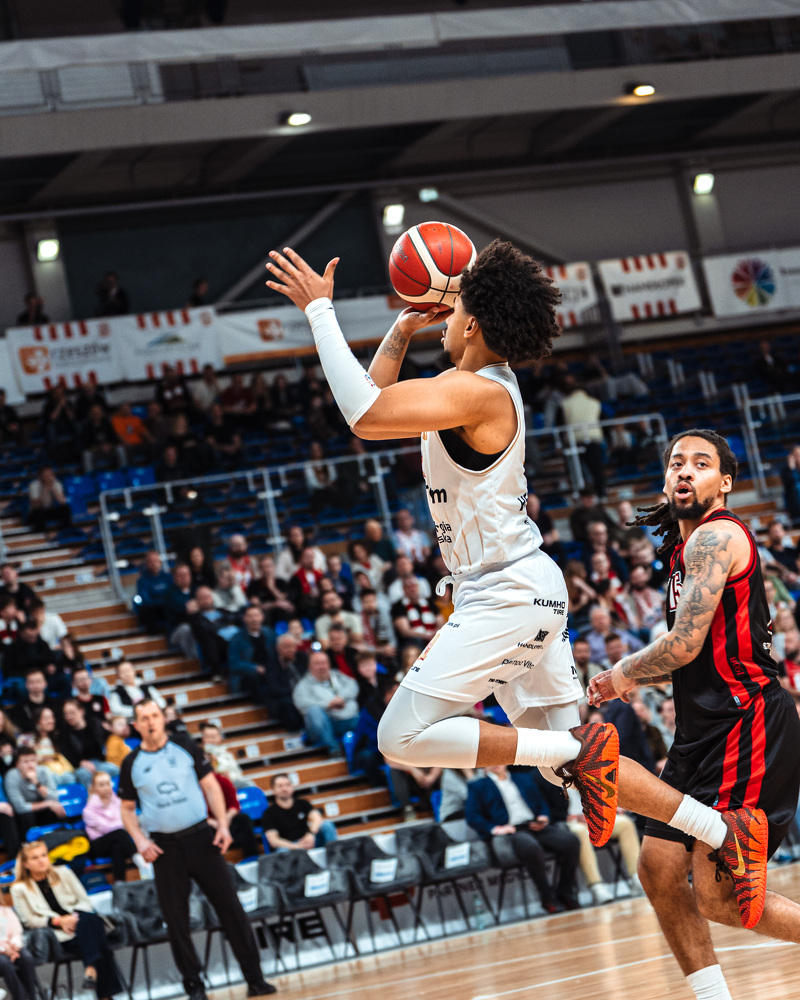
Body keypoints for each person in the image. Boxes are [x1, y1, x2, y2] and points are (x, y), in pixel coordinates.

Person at [265, 242, 767, 917]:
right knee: (572, 770)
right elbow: (374, 406)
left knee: (400, 736)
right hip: (522, 588)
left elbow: (363, 413)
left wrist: (320, 312)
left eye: (454, 313)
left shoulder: (476, 392)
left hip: (506, 592)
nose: (445, 321)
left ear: (473, 324)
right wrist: (400, 330)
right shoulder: (470, 387)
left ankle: (576, 750)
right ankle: (724, 830)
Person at [588, 429, 800, 999]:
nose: (684, 470)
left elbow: (682, 646)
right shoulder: (685, 552)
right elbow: (696, 657)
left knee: (721, 900)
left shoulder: (716, 536)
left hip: (746, 722)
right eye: (676, 462)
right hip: (701, 729)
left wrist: (620, 675)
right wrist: (630, 679)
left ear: (724, 483)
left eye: (700, 463)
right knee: (657, 869)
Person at [120, 703, 275, 1000]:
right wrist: (140, 841)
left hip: (201, 839)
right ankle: (194, 986)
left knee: (231, 909)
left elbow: (211, 786)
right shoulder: (131, 763)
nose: (150, 722)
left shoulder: (185, 746)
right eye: (144, 718)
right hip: (164, 848)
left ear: (162, 719)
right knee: (176, 921)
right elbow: (126, 809)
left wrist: (223, 825)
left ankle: (255, 979)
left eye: (155, 716)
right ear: (136, 725)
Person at [12, 841, 123, 1000]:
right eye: (35, 858)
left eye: (44, 855)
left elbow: (84, 901)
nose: (42, 860)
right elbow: (28, 920)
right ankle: (98, 981)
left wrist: (74, 918)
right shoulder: (19, 888)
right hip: (59, 935)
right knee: (97, 939)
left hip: (81, 922)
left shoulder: (64, 872)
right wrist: (58, 921)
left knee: (89, 920)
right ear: (25, 864)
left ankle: (92, 968)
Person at [465, 764, 581, 913]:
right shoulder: (478, 786)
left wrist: (543, 816)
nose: (496, 764)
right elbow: (472, 816)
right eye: (490, 762)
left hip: (534, 824)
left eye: (499, 760)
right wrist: (495, 828)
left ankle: (565, 892)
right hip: (512, 830)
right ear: (483, 767)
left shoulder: (522, 778)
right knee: (530, 847)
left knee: (571, 841)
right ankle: (547, 897)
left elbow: (541, 802)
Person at [291, 650, 359, 757]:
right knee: (314, 711)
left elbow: (353, 686)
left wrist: (341, 698)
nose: (322, 667)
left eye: (324, 663)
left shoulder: (338, 676)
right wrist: (328, 704)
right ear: (309, 666)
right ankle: (334, 748)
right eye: (317, 663)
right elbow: (302, 704)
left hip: (346, 719)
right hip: (323, 725)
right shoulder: (303, 685)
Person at [82, 771, 145, 882]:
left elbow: (127, 820)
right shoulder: (88, 810)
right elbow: (107, 828)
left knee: (117, 847)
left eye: (108, 784)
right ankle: (140, 860)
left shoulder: (118, 801)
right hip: (98, 845)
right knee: (119, 834)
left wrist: (125, 823)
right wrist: (124, 824)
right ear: (94, 788)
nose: (106, 788)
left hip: (117, 841)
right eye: (101, 785)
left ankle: (119, 883)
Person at [262, 773, 337, 850]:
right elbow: (273, 841)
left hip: (309, 841)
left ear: (292, 787)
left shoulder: (302, 803)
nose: (284, 789)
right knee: (282, 850)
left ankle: (335, 854)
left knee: (327, 825)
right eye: (280, 786)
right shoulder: (269, 813)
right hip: (290, 847)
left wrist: (310, 834)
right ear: (273, 790)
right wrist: (295, 846)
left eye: (287, 785)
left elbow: (317, 818)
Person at [4, 747, 67, 840]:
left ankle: (60, 839)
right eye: (26, 762)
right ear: (18, 765)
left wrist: (37, 783)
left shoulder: (43, 771)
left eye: (33, 760)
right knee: (26, 816)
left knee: (59, 809)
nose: (30, 765)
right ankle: (28, 843)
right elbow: (20, 808)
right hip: (25, 814)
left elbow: (55, 798)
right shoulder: (12, 776)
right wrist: (48, 803)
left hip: (43, 810)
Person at [57, 700, 119, 789]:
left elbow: (108, 737)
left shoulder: (94, 724)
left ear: (81, 711)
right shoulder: (64, 734)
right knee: (85, 775)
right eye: (66, 714)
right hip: (80, 767)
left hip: (99, 762)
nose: (69, 717)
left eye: (72, 713)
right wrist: (81, 763)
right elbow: (67, 755)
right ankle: (92, 796)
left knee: (114, 769)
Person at [227, 605, 276, 696]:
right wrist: (255, 668)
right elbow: (234, 663)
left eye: (256, 615)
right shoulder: (236, 639)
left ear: (262, 617)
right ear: (244, 619)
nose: (254, 619)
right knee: (253, 676)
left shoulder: (270, 633)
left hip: (269, 670)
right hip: (250, 675)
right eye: (250, 616)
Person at [0, 898, 42, 1000]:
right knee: (5, 963)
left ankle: (32, 996)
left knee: (26, 957)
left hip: (13, 948)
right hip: (2, 951)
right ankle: (20, 997)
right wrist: (4, 949)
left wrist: (14, 946)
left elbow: (17, 932)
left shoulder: (5, 910)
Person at [27, 467, 71, 535]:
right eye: (46, 476)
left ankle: (65, 532)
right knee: (38, 513)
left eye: (50, 475)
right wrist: (45, 489)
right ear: (41, 477)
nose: (48, 478)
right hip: (37, 511)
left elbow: (62, 502)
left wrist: (53, 488)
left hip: (50, 509)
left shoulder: (56, 483)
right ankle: (42, 535)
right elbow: (36, 505)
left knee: (65, 509)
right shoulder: (34, 485)